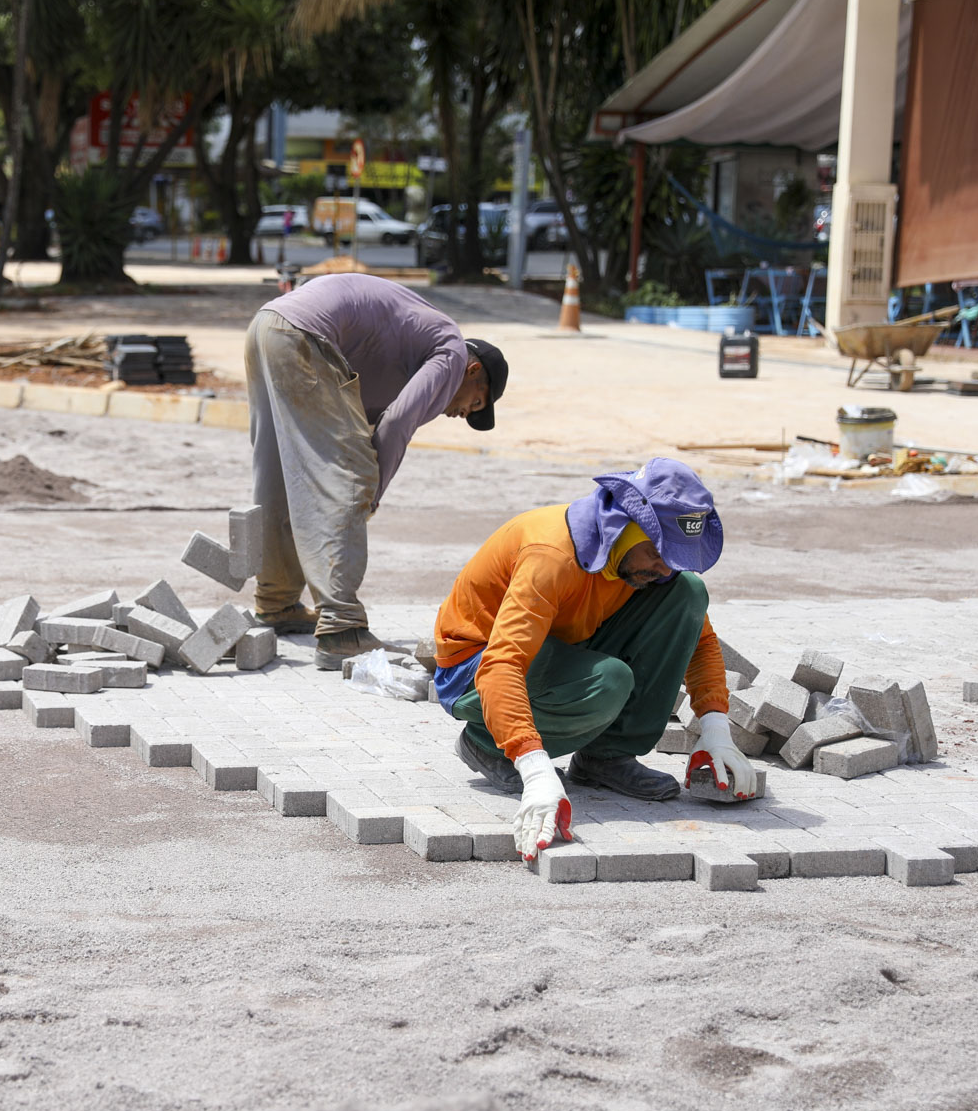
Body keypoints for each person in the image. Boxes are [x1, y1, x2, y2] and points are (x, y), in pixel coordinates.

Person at [431, 458, 757, 863]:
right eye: (658, 552)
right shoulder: (551, 556)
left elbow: (701, 641)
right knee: (608, 682)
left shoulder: (647, 565)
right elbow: (503, 665)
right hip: (474, 665)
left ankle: (605, 757)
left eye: (675, 555)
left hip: (558, 641)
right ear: (625, 527)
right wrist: (533, 769)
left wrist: (716, 731)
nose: (664, 567)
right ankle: (485, 745)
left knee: (687, 592)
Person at [246, 272, 508, 669]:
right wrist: (373, 489)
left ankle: (277, 600)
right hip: (304, 336)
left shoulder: (403, 350)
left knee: (279, 474)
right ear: (474, 373)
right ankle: (342, 629)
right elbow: (397, 424)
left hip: (267, 327)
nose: (460, 413)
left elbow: (360, 417)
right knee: (350, 477)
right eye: (474, 404)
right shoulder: (452, 353)